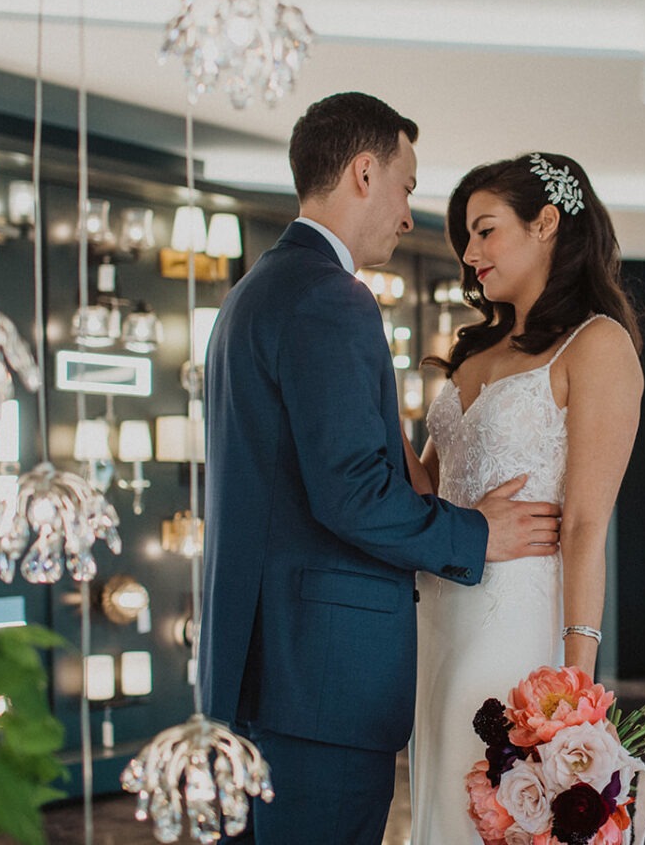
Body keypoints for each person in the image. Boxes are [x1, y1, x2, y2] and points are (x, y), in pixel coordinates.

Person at [198, 93, 562, 845]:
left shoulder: (251, 296)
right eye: (407, 186)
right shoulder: (334, 299)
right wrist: (475, 534)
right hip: (321, 679)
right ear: (364, 172)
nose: (407, 213)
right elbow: (353, 496)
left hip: (262, 666)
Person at [407, 152, 644, 844]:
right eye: (465, 240)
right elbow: (428, 494)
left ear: (546, 223)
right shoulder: (473, 356)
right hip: (438, 619)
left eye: (484, 231)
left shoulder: (596, 345)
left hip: (517, 626)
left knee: (499, 815)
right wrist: (375, 408)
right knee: (445, 803)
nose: (469, 255)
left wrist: (577, 696)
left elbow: (588, 524)